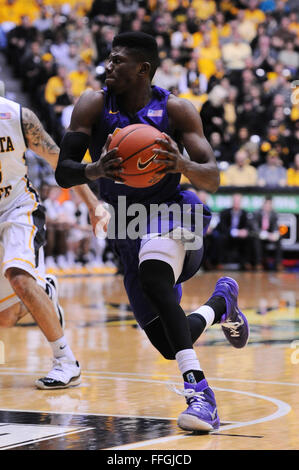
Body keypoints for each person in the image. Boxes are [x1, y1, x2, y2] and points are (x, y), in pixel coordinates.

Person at [55, 32, 249, 432]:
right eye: (108, 59)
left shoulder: (177, 110)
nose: (107, 67)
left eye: (116, 60)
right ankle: (221, 304)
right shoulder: (92, 103)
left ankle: (201, 397)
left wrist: (183, 164)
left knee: (155, 275)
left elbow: (212, 178)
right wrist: (93, 170)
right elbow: (63, 170)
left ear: (142, 69)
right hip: (127, 222)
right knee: (167, 342)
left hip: (177, 210)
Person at [0, 88, 109, 390]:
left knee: (19, 277)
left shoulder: (18, 117)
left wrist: (92, 205)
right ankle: (45, 290)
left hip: (17, 208)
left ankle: (66, 362)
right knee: (5, 318)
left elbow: (58, 162)